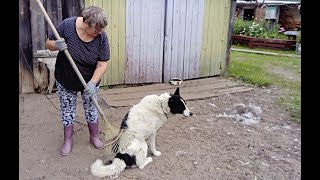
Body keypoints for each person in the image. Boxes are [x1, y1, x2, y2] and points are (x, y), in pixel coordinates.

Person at [45, 6, 110, 156]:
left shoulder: (101, 37)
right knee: (67, 110)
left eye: (101, 30)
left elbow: (102, 63)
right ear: (86, 23)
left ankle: (94, 136)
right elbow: (48, 43)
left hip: (89, 81)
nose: (99, 33)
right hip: (66, 78)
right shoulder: (67, 26)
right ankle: (68, 140)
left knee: (91, 108)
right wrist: (56, 45)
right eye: (96, 30)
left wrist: (93, 82)